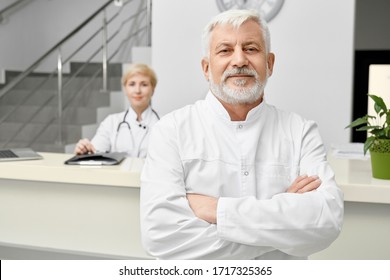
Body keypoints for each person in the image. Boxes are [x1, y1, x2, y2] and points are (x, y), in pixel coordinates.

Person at [140, 9, 344, 259]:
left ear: (269, 64)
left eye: (250, 49)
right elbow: (161, 236)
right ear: (206, 68)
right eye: (225, 50)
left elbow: (326, 221)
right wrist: (281, 225)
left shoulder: (300, 131)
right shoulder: (171, 130)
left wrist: (216, 210)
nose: (239, 60)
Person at [74, 63, 160, 158]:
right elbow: (95, 153)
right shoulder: (111, 122)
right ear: (125, 89)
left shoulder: (164, 124)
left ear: (153, 89)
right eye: (132, 84)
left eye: (144, 84)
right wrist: (85, 151)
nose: (137, 90)